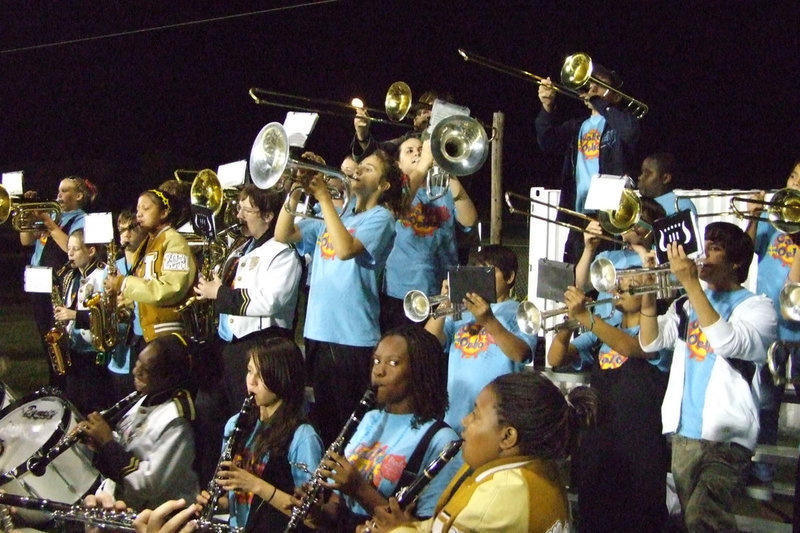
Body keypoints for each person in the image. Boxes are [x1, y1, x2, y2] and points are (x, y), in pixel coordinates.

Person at [638, 222, 777, 532]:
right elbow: (649, 342)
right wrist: (648, 292)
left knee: (704, 517)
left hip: (727, 438)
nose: (704, 255)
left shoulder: (757, 307)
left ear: (736, 262)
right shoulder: (686, 304)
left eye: (715, 249)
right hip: (684, 434)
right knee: (694, 520)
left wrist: (690, 284)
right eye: (706, 247)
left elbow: (727, 342)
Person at [274, 149, 402, 446]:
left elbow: (345, 250)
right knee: (326, 425)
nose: (357, 172)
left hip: (352, 337)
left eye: (368, 169)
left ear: (383, 185)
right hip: (318, 332)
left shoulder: (382, 218)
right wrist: (294, 191)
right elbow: (283, 234)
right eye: (359, 167)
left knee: (350, 432)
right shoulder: (337, 213)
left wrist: (322, 198)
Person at [369, 371, 598, 533]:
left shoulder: (501, 494)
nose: (464, 421)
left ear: (508, 437)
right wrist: (404, 526)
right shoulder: (536, 466)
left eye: (476, 415)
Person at [308, 325, 461, 530]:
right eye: (377, 361)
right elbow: (338, 507)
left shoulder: (441, 439)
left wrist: (359, 489)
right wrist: (317, 511)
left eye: (393, 363)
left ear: (420, 371)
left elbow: (424, 527)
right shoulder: (368, 419)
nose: (379, 371)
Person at [547, 279, 669, 532]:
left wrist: (586, 317)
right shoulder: (601, 331)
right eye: (618, 286)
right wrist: (568, 324)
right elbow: (556, 358)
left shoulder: (657, 332)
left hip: (639, 447)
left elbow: (630, 346)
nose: (618, 292)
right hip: (598, 443)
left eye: (629, 287)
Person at [197, 337, 322, 531]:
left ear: (282, 377)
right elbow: (240, 501)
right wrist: (218, 503)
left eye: (261, 374)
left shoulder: (303, 437)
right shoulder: (236, 424)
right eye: (249, 371)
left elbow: (311, 517)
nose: (251, 381)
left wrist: (254, 484)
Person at [78, 334, 199, 511]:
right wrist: (96, 440)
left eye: (146, 370)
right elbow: (128, 441)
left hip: (158, 516)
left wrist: (107, 444)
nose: (135, 371)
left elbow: (148, 485)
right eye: (137, 363)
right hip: (124, 501)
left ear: (168, 379)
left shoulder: (178, 423)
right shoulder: (146, 397)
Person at [425, 245, 536, 434]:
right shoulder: (461, 311)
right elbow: (428, 344)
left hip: (497, 417)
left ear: (510, 277)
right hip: (455, 416)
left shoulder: (521, 311)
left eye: (489, 273)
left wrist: (489, 321)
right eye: (476, 273)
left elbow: (522, 353)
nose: (480, 279)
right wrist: (444, 304)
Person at [536, 65, 640, 264]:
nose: (591, 88)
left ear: (615, 94)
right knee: (577, 279)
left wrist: (602, 104)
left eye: (599, 84)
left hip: (614, 215)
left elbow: (631, 133)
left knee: (610, 276)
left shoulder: (621, 122)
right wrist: (547, 107)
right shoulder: (577, 126)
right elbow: (547, 141)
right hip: (580, 214)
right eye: (589, 83)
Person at [743, 159, 800, 496]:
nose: (793, 184)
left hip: (797, 331)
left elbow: (795, 282)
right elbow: (745, 252)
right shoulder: (775, 215)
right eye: (792, 175)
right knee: (766, 405)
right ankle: (762, 471)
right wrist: (752, 216)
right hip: (769, 328)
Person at [381, 136, 478, 331]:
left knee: (437, 353)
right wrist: (423, 165)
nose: (418, 152)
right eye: (409, 151)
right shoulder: (395, 193)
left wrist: (450, 172)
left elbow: (469, 221)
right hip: (401, 291)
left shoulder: (443, 189)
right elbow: (397, 208)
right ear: (398, 164)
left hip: (444, 291)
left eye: (420, 148)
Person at [20, 176, 94, 385]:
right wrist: (28, 214)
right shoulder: (54, 215)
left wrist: (51, 226)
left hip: (59, 285)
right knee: (46, 337)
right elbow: (26, 240)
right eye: (59, 190)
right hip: (37, 281)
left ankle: (63, 381)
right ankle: (55, 379)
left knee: (59, 337)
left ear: (78, 196)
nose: (59, 195)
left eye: (65, 190)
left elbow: (68, 247)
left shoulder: (81, 218)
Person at [104, 189, 197, 343]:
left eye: (146, 209)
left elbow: (172, 288)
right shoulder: (147, 244)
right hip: (148, 333)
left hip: (168, 334)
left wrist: (123, 283)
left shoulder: (174, 241)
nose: (139, 214)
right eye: (138, 209)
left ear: (164, 213)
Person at [573, 197, 666, 328]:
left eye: (637, 220)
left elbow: (663, 297)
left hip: (632, 332)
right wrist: (589, 249)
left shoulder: (657, 259)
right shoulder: (608, 256)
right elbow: (581, 285)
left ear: (652, 228)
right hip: (598, 329)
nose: (628, 224)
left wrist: (640, 250)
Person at [53, 229, 112, 414]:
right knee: (74, 407)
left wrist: (73, 315)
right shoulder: (72, 276)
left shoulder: (104, 274)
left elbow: (105, 316)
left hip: (93, 354)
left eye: (75, 249)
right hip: (74, 350)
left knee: (92, 408)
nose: (69, 253)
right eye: (68, 248)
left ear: (91, 251)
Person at [108, 209, 146, 400]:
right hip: (122, 342)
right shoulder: (115, 266)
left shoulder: (148, 262)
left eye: (131, 229)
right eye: (122, 230)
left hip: (143, 334)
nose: (126, 235)